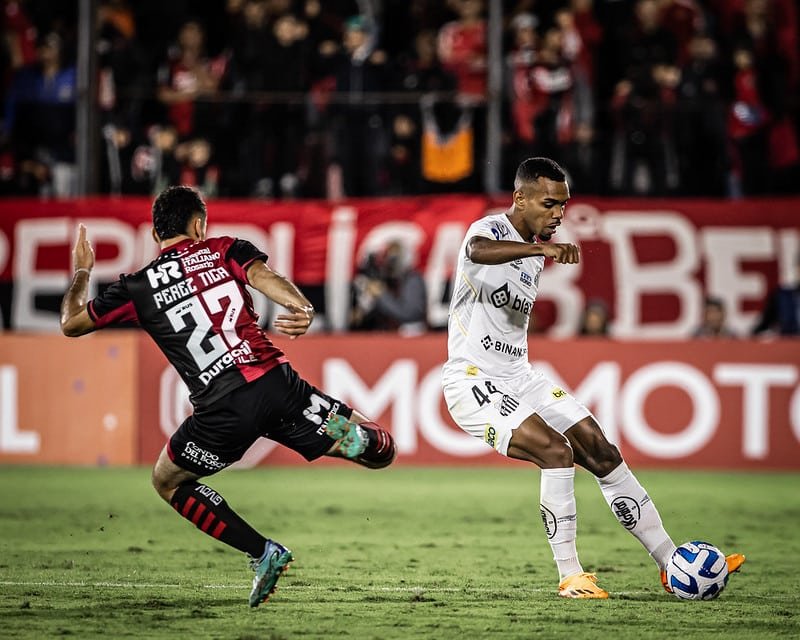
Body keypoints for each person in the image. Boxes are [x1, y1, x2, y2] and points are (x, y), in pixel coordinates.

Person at [60, 186, 396, 607]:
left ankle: (263, 552)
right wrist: (301, 308)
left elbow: (72, 322)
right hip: (276, 384)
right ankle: (362, 440)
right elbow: (263, 278)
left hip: (223, 409)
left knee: (168, 482)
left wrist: (83, 272)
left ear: (154, 235)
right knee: (380, 450)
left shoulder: (137, 286)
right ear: (198, 224)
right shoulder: (224, 249)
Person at [440, 157, 744, 598]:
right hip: (471, 380)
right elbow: (477, 253)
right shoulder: (490, 232)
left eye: (563, 204)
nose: (559, 213)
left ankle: (670, 562)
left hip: (520, 376)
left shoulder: (537, 251)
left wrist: (540, 249)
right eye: (549, 203)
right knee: (555, 451)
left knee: (601, 451)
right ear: (519, 198)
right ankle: (570, 575)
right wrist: (539, 248)